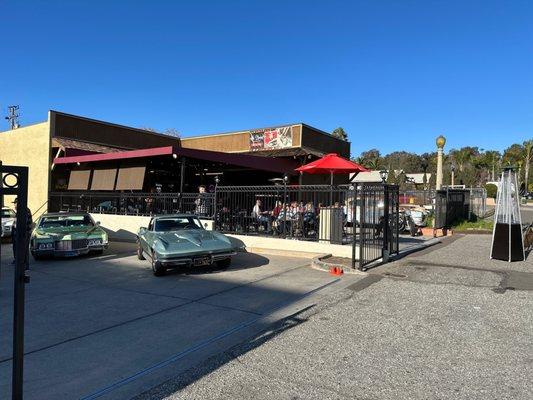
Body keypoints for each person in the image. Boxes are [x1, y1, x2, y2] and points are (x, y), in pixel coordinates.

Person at [11, 198, 33, 266]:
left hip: (23, 233)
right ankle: (18, 261)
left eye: (15, 203)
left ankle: (24, 264)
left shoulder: (24, 210)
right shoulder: (20, 210)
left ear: (18, 203)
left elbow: (23, 224)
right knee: (18, 248)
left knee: (24, 249)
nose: (14, 205)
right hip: (18, 233)